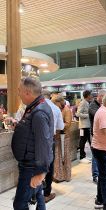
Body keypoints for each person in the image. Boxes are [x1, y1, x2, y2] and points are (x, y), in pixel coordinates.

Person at [12, 77, 54, 210]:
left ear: (28, 93)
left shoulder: (39, 112)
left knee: (19, 204)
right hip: (32, 164)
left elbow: (44, 143)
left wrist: (41, 173)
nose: (18, 93)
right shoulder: (35, 107)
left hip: (32, 167)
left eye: (19, 90)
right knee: (39, 197)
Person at [41, 90, 64, 203]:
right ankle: (46, 193)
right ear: (50, 96)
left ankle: (34, 194)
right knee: (49, 167)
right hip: (50, 140)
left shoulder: (35, 106)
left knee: (36, 166)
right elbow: (60, 126)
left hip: (35, 141)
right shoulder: (55, 109)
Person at [52, 95, 72, 182]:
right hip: (57, 137)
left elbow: (68, 124)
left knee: (64, 156)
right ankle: (58, 175)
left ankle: (65, 176)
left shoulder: (66, 110)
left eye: (54, 103)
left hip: (64, 137)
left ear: (58, 102)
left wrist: (58, 126)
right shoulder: (57, 109)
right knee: (57, 156)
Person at [89, 89, 106, 184]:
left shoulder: (101, 106)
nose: (104, 99)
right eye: (103, 97)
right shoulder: (93, 105)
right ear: (99, 96)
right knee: (95, 155)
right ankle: (95, 175)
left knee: (100, 155)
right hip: (94, 134)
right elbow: (99, 116)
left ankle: (100, 173)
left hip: (102, 134)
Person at [76, 90, 92, 163]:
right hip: (83, 126)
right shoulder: (83, 103)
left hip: (87, 126)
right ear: (88, 95)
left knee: (87, 140)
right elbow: (78, 114)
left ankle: (84, 156)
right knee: (83, 141)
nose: (91, 96)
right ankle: (82, 157)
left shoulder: (87, 102)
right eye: (90, 94)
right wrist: (88, 115)